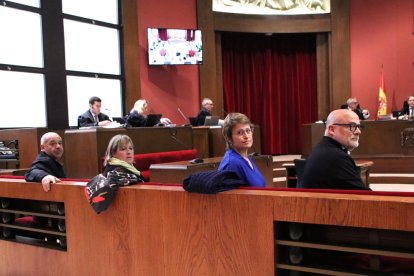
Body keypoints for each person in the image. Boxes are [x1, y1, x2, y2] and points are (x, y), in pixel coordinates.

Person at [301, 109, 370, 190]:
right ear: (332, 130)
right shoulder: (336, 157)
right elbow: (363, 195)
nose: (358, 132)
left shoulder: (323, 149)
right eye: (352, 126)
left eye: (359, 127)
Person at [218, 113, 265, 187]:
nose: (246, 136)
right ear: (229, 138)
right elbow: (232, 197)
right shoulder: (231, 164)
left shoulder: (246, 158)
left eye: (248, 131)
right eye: (240, 132)